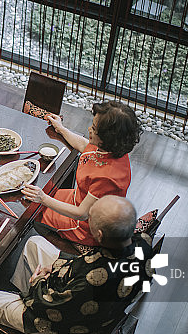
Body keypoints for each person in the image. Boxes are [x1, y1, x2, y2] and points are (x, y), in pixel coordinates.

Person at [0, 195, 152, 334]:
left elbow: (51, 308)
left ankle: (20, 310)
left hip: (68, 333)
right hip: (86, 305)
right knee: (34, 244)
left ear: (98, 234)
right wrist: (56, 268)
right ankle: (20, 300)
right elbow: (86, 264)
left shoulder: (93, 279)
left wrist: (38, 283)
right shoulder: (143, 241)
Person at [21, 100, 142, 247]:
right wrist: (61, 129)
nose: (89, 129)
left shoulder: (108, 178)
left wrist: (43, 198)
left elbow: (81, 213)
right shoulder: (115, 148)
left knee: (30, 210)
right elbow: (85, 145)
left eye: (94, 128)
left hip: (83, 225)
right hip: (76, 197)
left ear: (107, 138)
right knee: (31, 197)